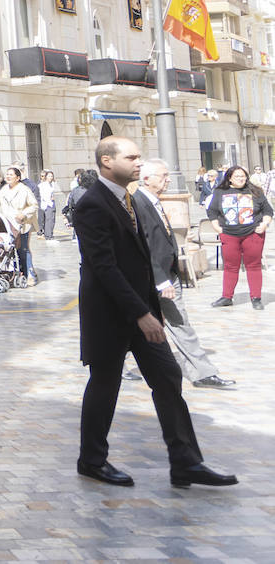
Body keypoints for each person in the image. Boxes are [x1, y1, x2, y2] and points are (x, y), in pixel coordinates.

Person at [73, 136, 236, 489]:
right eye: (131, 157)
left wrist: (151, 307)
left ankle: (186, 462)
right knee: (105, 386)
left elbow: (141, 261)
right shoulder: (92, 205)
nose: (138, 163)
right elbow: (105, 267)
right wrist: (140, 313)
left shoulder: (130, 199)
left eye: (138, 157)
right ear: (106, 162)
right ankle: (91, 460)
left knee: (168, 379)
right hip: (109, 314)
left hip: (142, 311)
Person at [124, 160, 234, 389]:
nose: (168, 179)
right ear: (147, 179)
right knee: (132, 326)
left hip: (167, 274)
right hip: (154, 278)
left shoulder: (152, 201)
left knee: (179, 323)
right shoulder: (137, 204)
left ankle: (202, 373)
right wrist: (161, 279)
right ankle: (115, 365)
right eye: (163, 175)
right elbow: (143, 246)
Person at [205, 165, 271, 310]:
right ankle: (227, 297)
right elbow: (212, 211)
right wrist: (217, 227)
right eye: (237, 176)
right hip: (229, 235)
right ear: (229, 178)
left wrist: (265, 224)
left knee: (253, 265)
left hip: (253, 234)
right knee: (230, 266)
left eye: (243, 176)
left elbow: (268, 210)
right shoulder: (220, 192)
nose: (241, 179)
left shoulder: (256, 191)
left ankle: (256, 297)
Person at [0, 167, 38, 285]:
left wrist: (24, 214)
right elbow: (0, 206)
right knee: (10, 250)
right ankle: (15, 273)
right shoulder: (3, 190)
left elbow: (34, 205)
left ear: (18, 178)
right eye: (7, 174)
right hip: (7, 224)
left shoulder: (24, 190)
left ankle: (30, 274)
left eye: (11, 175)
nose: (8, 177)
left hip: (22, 224)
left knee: (23, 249)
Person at [40, 171, 58, 239]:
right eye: (49, 176)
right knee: (49, 220)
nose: (50, 177)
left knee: (52, 219)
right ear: (46, 177)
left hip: (52, 203)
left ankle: (50, 233)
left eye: (51, 176)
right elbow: (43, 195)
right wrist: (49, 200)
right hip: (48, 204)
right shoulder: (43, 185)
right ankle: (48, 235)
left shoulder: (51, 184)